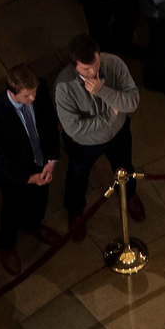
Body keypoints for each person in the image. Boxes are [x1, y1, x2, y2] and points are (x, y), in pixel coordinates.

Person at [55, 37, 145, 239]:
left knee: (125, 166)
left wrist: (102, 91)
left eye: (96, 65)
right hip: (84, 144)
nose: (93, 72)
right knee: (78, 178)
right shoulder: (63, 86)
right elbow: (74, 129)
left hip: (118, 134)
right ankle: (76, 212)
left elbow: (132, 102)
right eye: (86, 69)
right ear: (74, 66)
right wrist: (111, 116)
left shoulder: (114, 64)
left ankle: (129, 194)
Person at [0, 67, 61, 278]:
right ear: (12, 92)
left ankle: (33, 225)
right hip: (15, 174)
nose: (32, 98)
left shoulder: (39, 89)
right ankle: (7, 245)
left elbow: (50, 124)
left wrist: (51, 161)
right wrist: (28, 178)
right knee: (12, 209)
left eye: (34, 93)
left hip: (40, 163)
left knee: (40, 199)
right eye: (27, 96)